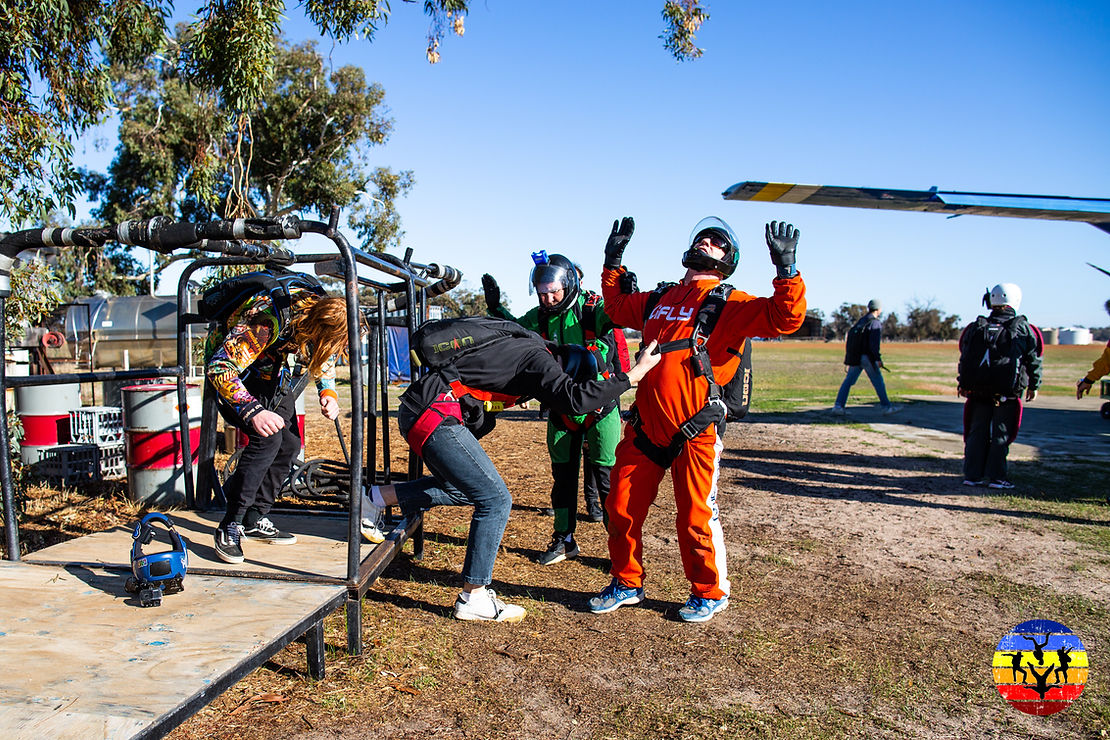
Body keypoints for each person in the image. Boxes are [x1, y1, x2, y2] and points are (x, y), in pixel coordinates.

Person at [360, 319, 661, 623]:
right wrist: (632, 376)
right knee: (495, 500)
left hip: (423, 410)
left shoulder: (525, 346)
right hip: (435, 415)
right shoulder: (539, 359)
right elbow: (574, 399)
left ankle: (374, 499)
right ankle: (473, 596)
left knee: (463, 489)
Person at [593, 215, 807, 623]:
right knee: (619, 507)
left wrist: (787, 271)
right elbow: (618, 309)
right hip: (646, 429)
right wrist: (613, 260)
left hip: (695, 429)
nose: (708, 242)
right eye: (704, 238)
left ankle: (709, 592)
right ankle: (626, 582)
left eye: (718, 243)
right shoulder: (660, 298)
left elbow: (786, 319)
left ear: (729, 259)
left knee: (694, 516)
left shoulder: (728, 303)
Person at [481, 254, 625, 566]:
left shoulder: (592, 310)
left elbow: (619, 314)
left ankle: (620, 550)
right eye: (542, 293)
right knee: (562, 478)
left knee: (607, 481)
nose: (548, 299)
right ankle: (564, 539)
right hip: (562, 409)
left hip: (599, 407)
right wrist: (495, 308)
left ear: (569, 284)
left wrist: (623, 289)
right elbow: (513, 330)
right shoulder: (541, 316)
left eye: (553, 292)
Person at [207, 286, 354, 564]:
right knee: (269, 439)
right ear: (319, 327)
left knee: (289, 445)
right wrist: (253, 411)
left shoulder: (316, 323)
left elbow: (324, 358)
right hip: (240, 377)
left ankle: (254, 516)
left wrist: (328, 393)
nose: (337, 351)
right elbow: (220, 367)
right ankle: (230, 524)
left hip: (276, 376)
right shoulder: (267, 320)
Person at [957, 283, 1043, 489]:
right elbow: (1033, 358)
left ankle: (972, 475)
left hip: (977, 392)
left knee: (976, 433)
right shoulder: (1024, 328)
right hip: (1006, 394)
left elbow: (965, 355)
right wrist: (1034, 384)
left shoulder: (976, 327)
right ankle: (997, 478)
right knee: (1001, 435)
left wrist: (963, 383)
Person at [832, 299, 900, 415]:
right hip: (867, 358)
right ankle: (886, 407)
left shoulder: (861, 321)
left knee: (848, 381)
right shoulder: (875, 323)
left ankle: (838, 406)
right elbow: (874, 344)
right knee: (878, 381)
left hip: (856, 357)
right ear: (878, 309)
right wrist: (877, 359)